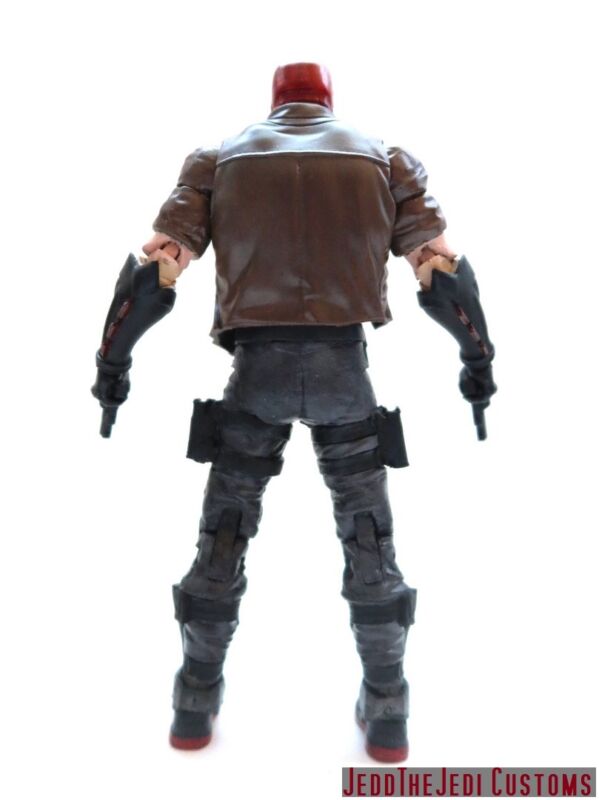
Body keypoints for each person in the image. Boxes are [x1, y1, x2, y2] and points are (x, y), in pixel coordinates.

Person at [92, 63, 496, 763]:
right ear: (327, 100)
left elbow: (155, 271)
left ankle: (194, 702)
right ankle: (388, 708)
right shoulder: (384, 161)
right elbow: (441, 272)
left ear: (275, 102)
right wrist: (477, 363)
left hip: (257, 376)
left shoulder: (219, 161)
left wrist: (112, 367)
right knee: (369, 542)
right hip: (344, 376)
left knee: (223, 538)